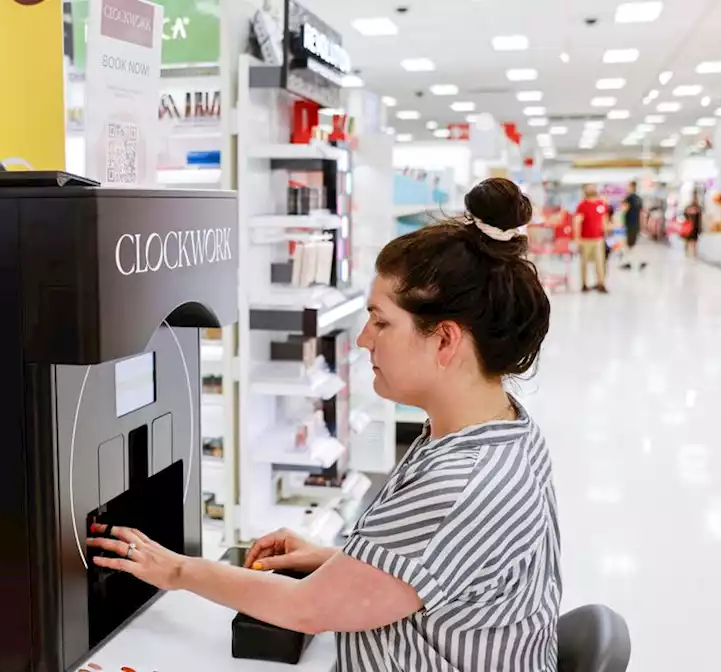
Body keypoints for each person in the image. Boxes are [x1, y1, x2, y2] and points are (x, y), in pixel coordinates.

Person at [87, 178, 560, 672]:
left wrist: (176, 569)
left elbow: (306, 609)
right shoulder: (502, 431)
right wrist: (335, 562)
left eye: (380, 322)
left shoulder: (460, 483)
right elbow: (447, 574)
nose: (362, 339)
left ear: (444, 341)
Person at [574, 183, 609, 292]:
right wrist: (577, 238)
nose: (591, 189)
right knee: (584, 262)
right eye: (589, 188)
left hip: (598, 239)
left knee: (600, 262)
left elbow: (604, 222)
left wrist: (607, 232)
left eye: (593, 187)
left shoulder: (601, 205)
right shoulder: (582, 205)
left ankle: (601, 283)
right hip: (585, 239)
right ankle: (584, 284)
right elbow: (576, 222)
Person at [620, 180, 646, 270]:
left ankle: (631, 262)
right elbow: (642, 213)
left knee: (630, 244)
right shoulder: (639, 198)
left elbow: (624, 209)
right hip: (636, 224)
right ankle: (634, 261)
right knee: (633, 244)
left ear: (631, 187)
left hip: (630, 223)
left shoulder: (629, 198)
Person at [682, 192, 703, 258]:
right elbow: (684, 215)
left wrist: (700, 228)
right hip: (688, 227)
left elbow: (700, 219)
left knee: (694, 241)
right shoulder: (688, 207)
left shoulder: (699, 208)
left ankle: (694, 254)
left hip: (695, 227)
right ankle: (687, 253)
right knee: (687, 240)